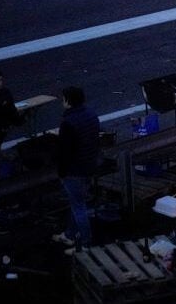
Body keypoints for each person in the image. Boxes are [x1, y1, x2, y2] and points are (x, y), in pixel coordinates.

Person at [53, 86, 101, 252]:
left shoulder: (68, 123)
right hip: (89, 165)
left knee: (78, 206)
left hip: (74, 170)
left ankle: (86, 243)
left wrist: (61, 172)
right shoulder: (91, 115)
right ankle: (69, 234)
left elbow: (64, 152)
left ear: (68, 101)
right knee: (78, 203)